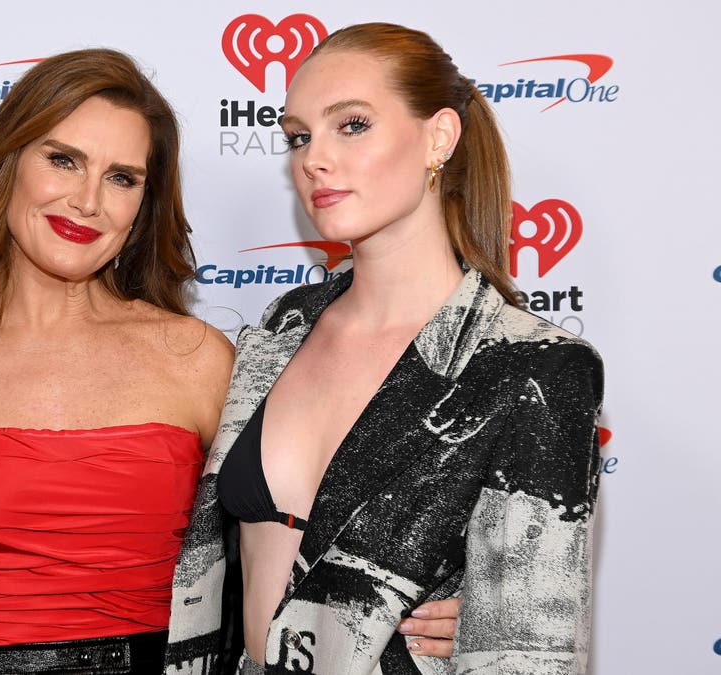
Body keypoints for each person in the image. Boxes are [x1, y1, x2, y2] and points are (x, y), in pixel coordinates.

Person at [0, 48, 460, 675]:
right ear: (9, 163)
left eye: (123, 178)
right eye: (63, 160)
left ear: (145, 202)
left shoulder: (198, 361)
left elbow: (301, 544)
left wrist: (461, 605)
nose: (87, 201)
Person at [164, 22, 603, 675]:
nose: (312, 158)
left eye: (352, 125)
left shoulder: (533, 368)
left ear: (439, 137)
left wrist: (497, 623)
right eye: (298, 136)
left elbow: (529, 652)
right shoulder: (281, 329)